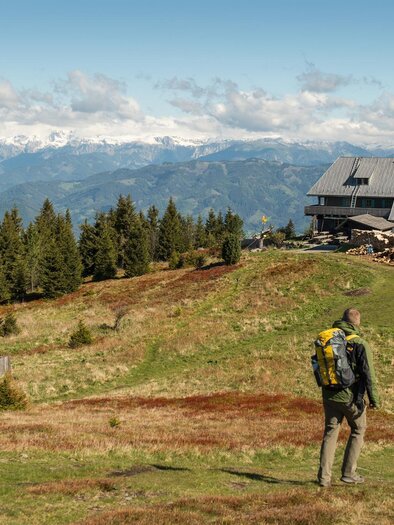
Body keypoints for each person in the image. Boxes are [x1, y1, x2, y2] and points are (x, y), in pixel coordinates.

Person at [317, 307, 380, 487]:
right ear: (357, 323)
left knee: (330, 432)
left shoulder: (329, 339)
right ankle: (348, 473)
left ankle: (323, 478)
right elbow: (369, 375)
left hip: (329, 394)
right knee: (359, 428)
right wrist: (374, 400)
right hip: (349, 396)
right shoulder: (360, 343)